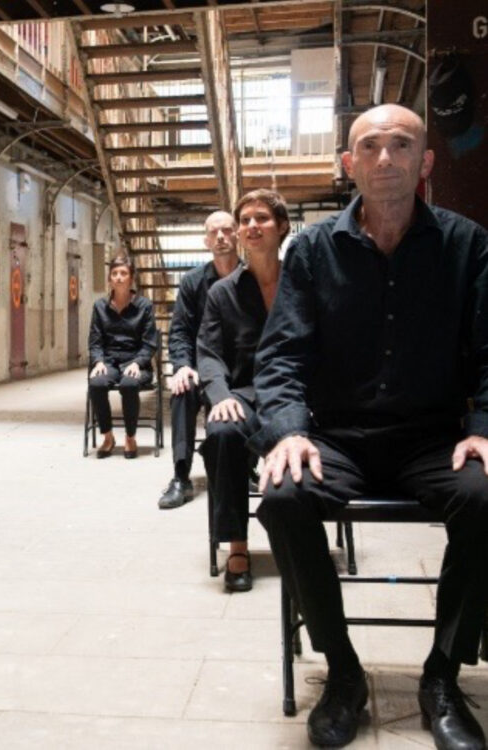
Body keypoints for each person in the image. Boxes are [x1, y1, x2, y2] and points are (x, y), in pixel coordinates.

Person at [252, 104, 488, 748]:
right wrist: (290, 431)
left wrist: (485, 427)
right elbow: (282, 356)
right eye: (371, 147)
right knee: (283, 499)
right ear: (348, 164)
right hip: (339, 437)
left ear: (425, 162)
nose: (386, 158)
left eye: (402, 145)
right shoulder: (311, 251)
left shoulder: (468, 246)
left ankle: (442, 673)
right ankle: (343, 672)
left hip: (433, 436)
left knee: (486, 496)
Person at [198, 190, 288, 591]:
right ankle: (237, 545)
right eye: (245, 220)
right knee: (221, 433)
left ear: (282, 227)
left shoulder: (302, 283)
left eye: (262, 218)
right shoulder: (223, 293)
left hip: (296, 396)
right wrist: (221, 396)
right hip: (246, 395)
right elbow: (209, 353)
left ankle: (303, 536)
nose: (252, 226)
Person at [158, 210, 240, 509]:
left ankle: (248, 466)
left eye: (228, 230)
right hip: (199, 367)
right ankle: (181, 476)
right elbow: (180, 331)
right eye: (215, 232)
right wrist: (181, 367)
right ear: (206, 240)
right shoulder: (193, 282)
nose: (221, 236)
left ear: (238, 235)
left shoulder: (252, 278)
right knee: (182, 393)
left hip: (237, 371)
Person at [87, 251, 157, 459]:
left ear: (131, 278)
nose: (118, 277)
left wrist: (137, 363)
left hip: (136, 361)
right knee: (97, 383)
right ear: (109, 279)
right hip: (108, 361)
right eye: (114, 273)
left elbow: (150, 342)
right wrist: (98, 361)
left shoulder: (144, 307)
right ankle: (108, 437)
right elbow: (95, 340)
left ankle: (130, 436)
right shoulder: (100, 307)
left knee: (129, 384)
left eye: (123, 273)